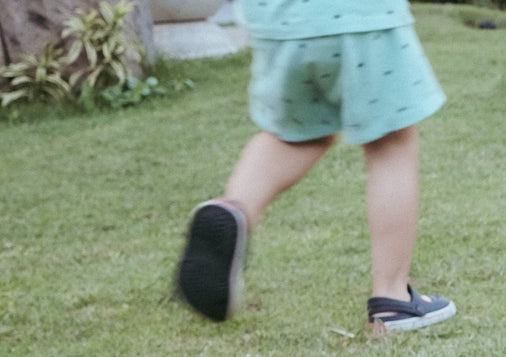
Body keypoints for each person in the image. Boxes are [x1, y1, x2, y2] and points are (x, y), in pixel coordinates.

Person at [176, 0, 456, 333]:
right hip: (361, 17)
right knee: (390, 145)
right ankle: (393, 299)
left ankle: (232, 209)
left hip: (278, 25)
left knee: (293, 137)